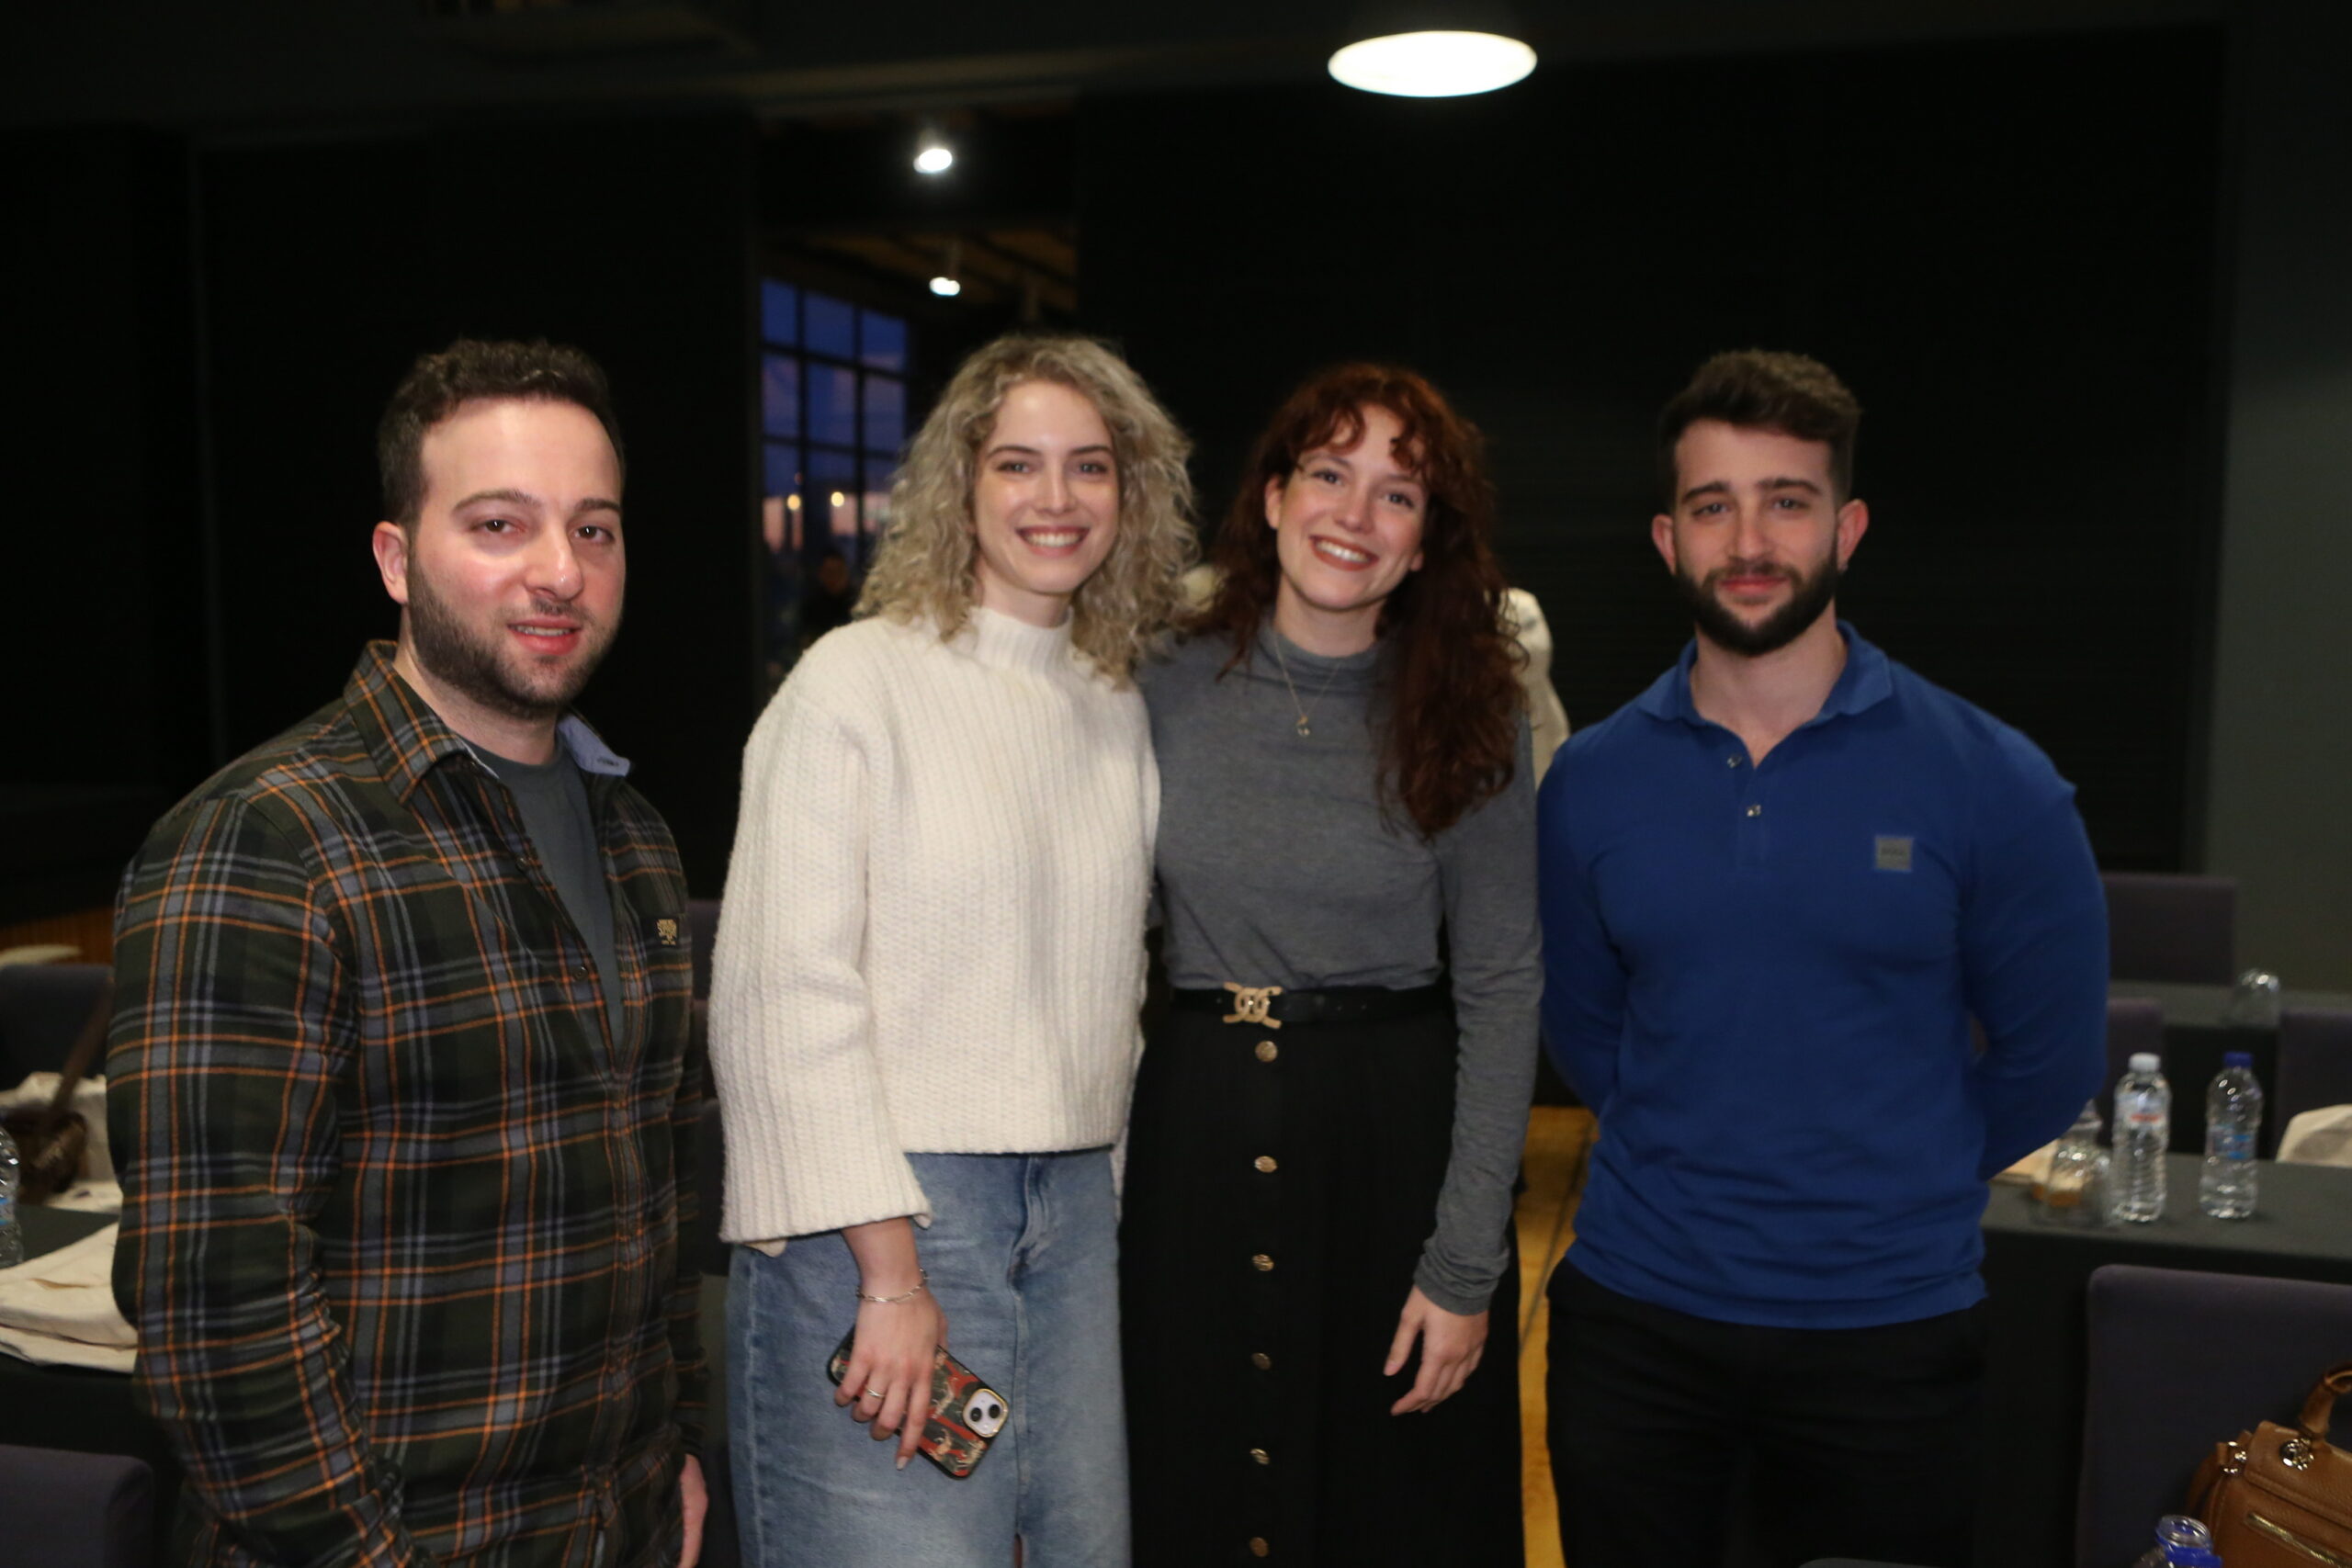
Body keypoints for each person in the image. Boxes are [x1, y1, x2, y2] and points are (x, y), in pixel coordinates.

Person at [107, 339, 709, 1567]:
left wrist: (673, 1453)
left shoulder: (638, 841)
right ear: (395, 559)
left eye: (593, 530)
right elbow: (217, 1315)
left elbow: (653, 1214)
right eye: (500, 525)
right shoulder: (265, 840)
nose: (559, 571)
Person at [1538, 349, 2109, 1567]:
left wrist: (1893, 1173)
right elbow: (1584, 1028)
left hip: (1889, 1337)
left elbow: (2051, 1063)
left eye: (1786, 501)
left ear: (1846, 529)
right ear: (1667, 540)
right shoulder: (1590, 781)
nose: (1749, 540)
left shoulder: (1993, 780)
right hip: (1637, 1327)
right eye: (1713, 506)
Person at [707, 334, 1194, 1567]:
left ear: (1131, 493)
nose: (1055, 497)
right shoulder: (853, 683)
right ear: (958, 485)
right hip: (881, 1217)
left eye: (1090, 466)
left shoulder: (1112, 706)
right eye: (1018, 463)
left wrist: (1094, 1213)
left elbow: (1109, 999)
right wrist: (889, 1276)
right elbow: (781, 995)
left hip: (1068, 1217)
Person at [1122, 364, 1540, 1566]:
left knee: (1393, 1503)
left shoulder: (1473, 706)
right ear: (1272, 496)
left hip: (1391, 1143)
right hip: (1195, 1139)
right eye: (1328, 474)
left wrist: (1464, 1266)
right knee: (1198, 1489)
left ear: (1426, 539)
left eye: (1397, 495)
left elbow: (1505, 985)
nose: (1354, 516)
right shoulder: (1160, 678)